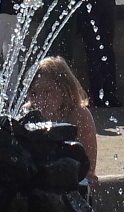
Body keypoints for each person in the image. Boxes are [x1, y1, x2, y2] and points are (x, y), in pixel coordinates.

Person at [25, 56, 98, 186]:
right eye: (34, 94)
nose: (40, 100)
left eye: (47, 92)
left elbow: (88, 168)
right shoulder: (28, 114)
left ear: (65, 89)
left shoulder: (78, 115)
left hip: (72, 183)